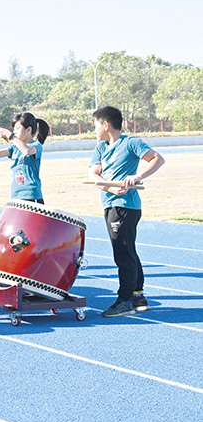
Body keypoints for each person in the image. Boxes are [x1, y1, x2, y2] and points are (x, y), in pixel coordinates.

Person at [88, 106, 165, 318]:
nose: (93, 129)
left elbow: (157, 158)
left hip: (126, 206)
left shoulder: (131, 143)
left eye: (95, 125)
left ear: (106, 125)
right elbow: (94, 174)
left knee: (122, 252)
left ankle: (125, 300)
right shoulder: (101, 148)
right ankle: (138, 296)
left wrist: (138, 176)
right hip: (110, 203)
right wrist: (110, 187)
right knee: (128, 250)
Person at [0, 112, 50, 203]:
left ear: (28, 130)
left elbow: (27, 151)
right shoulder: (14, 148)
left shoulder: (36, 145)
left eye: (17, 128)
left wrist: (10, 136)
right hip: (16, 195)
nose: (14, 132)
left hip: (31, 195)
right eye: (13, 129)